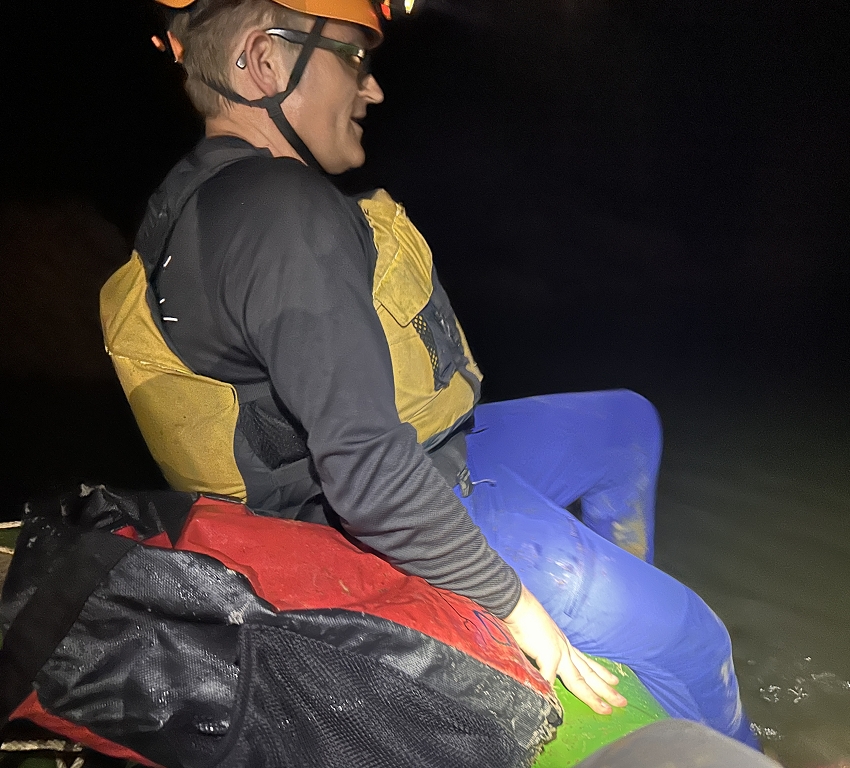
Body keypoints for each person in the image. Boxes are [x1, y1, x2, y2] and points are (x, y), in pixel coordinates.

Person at [100, 0, 759, 749]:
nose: (372, 89)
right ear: (265, 61)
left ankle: (620, 626)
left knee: (626, 422)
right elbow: (367, 480)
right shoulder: (282, 211)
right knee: (698, 640)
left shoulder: (200, 194)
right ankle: (725, 730)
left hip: (435, 451)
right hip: (392, 507)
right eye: (353, 56)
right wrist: (520, 610)